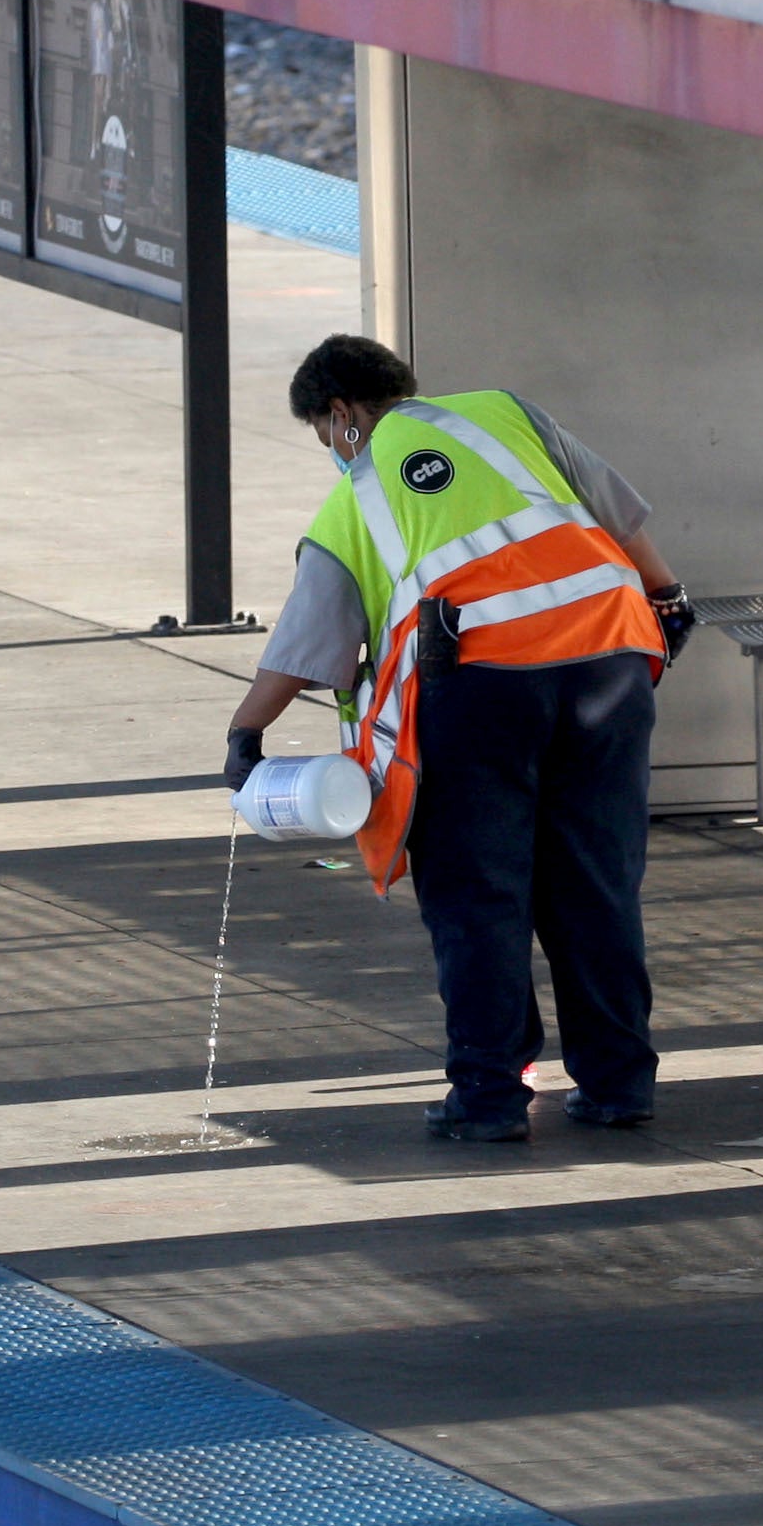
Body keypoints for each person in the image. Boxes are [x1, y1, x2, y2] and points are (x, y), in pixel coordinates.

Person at [224, 336, 693, 1142]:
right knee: (596, 882)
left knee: (479, 898)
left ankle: (487, 1097)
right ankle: (618, 1084)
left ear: (341, 415)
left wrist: (245, 732)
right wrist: (667, 598)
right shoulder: (506, 418)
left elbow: (306, 645)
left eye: (322, 437)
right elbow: (617, 511)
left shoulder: (357, 495)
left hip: (478, 688)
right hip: (610, 662)